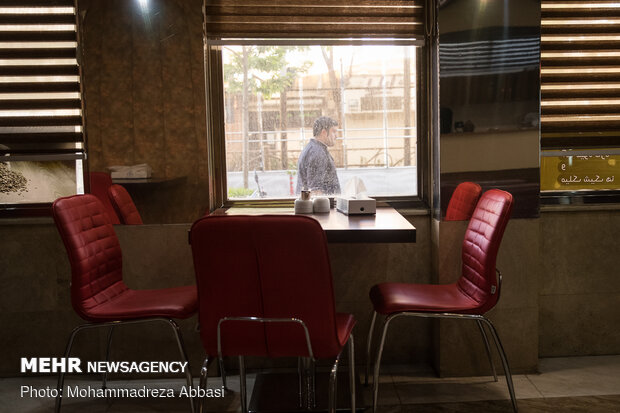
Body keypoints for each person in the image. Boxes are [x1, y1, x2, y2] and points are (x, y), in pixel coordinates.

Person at [296, 116, 341, 195]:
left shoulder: (312, 148)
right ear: (323, 132)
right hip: (322, 206)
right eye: (333, 131)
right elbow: (315, 191)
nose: (336, 136)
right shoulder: (318, 153)